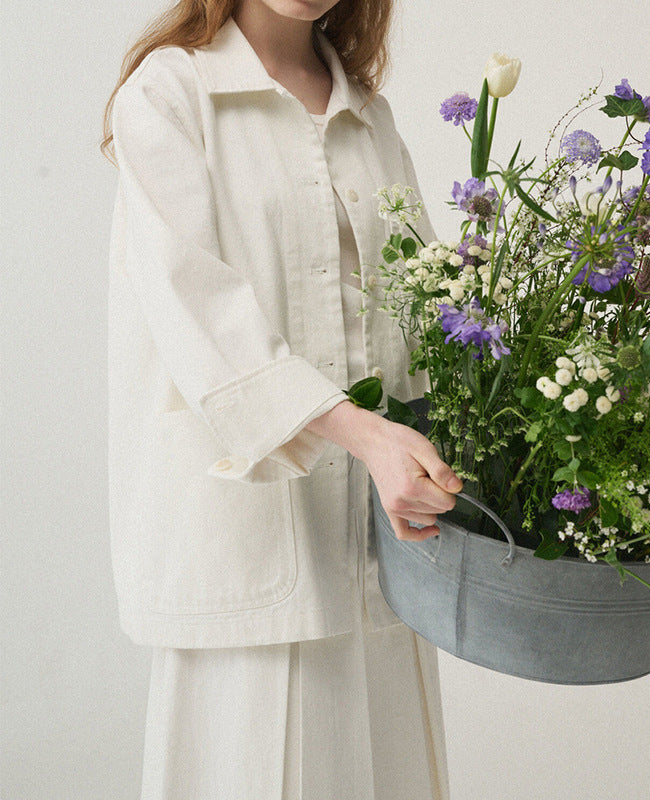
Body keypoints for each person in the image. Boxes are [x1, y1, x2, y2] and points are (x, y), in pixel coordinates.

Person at [102, 1, 462, 797]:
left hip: (383, 537)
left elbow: (423, 308)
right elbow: (196, 307)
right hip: (249, 532)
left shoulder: (367, 116)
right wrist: (363, 434)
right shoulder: (169, 93)